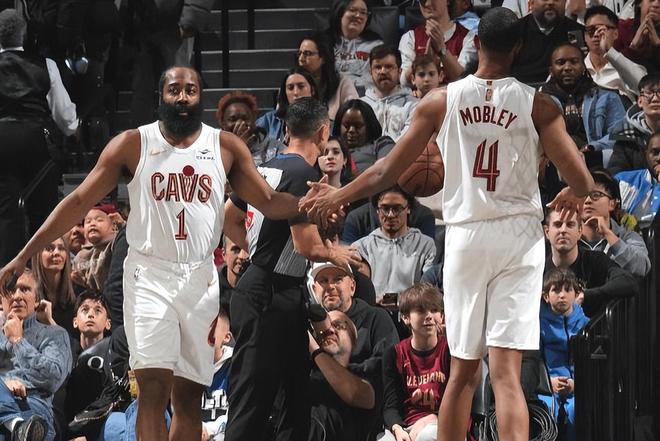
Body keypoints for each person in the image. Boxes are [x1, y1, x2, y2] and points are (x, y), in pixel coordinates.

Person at [300, 8, 594, 441]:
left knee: (463, 372)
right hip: (519, 237)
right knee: (507, 374)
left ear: (478, 45)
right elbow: (583, 180)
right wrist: (573, 192)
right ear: (518, 48)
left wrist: (337, 195)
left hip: (466, 234)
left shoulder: (440, 100)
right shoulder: (539, 105)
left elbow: (386, 170)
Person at [0, 65, 307, 441]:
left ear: (200, 97)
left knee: (189, 396)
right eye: (174, 89)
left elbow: (270, 201)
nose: (182, 97)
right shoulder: (133, 143)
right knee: (152, 390)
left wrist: (322, 200)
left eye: (190, 90)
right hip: (149, 277)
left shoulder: (224, 147)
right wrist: (22, 255)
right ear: (161, 95)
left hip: (199, 278)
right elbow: (78, 201)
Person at [222, 98, 362, 441]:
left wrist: (258, 250)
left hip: (271, 290)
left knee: (291, 398)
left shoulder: (265, 167)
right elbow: (305, 246)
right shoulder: (304, 175)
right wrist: (336, 252)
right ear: (323, 132)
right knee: (259, 402)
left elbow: (229, 216)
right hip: (270, 294)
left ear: (286, 130)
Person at [0, 9, 78, 267]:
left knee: (6, 215)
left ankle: (7, 280)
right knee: (42, 212)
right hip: (36, 141)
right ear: (24, 33)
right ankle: (42, 275)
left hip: (2, 142)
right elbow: (65, 117)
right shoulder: (46, 65)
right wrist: (74, 128)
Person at [0, 269, 72, 441]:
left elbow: (52, 379)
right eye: (10, 290)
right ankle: (16, 425)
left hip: (33, 410)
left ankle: (17, 425)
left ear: (37, 299)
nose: (17, 296)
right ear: (1, 301)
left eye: (25, 289)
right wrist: (4, 386)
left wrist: (18, 341)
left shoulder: (55, 334)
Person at [381, 284, 451, 441]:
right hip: (407, 426)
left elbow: (460, 402)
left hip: (446, 422)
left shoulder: (451, 350)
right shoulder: (394, 354)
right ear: (406, 318)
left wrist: (429, 419)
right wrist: (397, 429)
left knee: (427, 436)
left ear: (442, 316)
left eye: (434, 310)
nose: (429, 316)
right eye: (421, 311)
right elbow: (390, 405)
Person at [539, 42, 625, 167]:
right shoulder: (539, 102)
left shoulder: (607, 97)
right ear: (551, 70)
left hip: (596, 160)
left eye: (574, 62)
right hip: (552, 163)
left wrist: (590, 148)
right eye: (560, 62)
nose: (567, 67)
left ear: (584, 67)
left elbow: (619, 136)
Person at [544, 208, 638, 317]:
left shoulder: (595, 260)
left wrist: (586, 295)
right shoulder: (539, 269)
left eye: (570, 225)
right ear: (547, 232)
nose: (563, 230)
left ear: (580, 231)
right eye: (558, 225)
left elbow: (629, 282)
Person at [352, 187, 436, 301]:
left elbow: (429, 287)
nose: (390, 215)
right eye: (385, 208)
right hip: (373, 308)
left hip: (411, 307)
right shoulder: (361, 247)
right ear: (377, 210)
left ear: (408, 208)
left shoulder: (425, 245)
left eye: (397, 208)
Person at [308, 310, 377, 441]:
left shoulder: (363, 375)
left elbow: (356, 394)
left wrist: (313, 347)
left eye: (338, 325)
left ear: (353, 340)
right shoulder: (304, 373)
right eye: (324, 329)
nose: (329, 330)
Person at [538, 268, 590, 441]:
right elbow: (535, 360)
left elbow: (591, 364)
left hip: (577, 385)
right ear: (546, 296)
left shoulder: (586, 324)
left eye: (568, 290)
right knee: (546, 409)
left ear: (576, 295)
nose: (562, 295)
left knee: (577, 410)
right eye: (556, 290)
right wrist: (548, 383)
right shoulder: (538, 324)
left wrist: (577, 384)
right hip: (548, 384)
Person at [579, 170, 651, 277]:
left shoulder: (628, 237)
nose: (587, 201)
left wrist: (609, 236)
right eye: (583, 195)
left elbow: (642, 267)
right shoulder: (567, 233)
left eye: (596, 195)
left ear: (612, 204)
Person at [398, 0, 477, 86]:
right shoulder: (410, 37)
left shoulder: (468, 38)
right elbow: (404, 82)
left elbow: (463, 80)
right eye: (422, 1)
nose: (427, 4)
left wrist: (442, 51)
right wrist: (423, 59)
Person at [584, 6, 647, 106]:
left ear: (616, 34)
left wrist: (609, 51)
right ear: (585, 36)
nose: (596, 34)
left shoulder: (624, 64)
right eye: (591, 30)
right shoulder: (579, 67)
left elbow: (645, 87)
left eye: (601, 29)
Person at [510, 0, 584, 84]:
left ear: (565, 3)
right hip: (522, 87)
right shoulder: (515, 30)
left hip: (565, 88)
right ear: (531, 3)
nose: (550, 2)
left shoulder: (576, 31)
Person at [297, 33, 359, 123]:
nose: (301, 59)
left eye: (307, 54)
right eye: (299, 53)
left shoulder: (342, 82)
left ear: (323, 58)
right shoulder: (293, 83)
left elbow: (355, 114)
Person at [362, 45, 418, 141]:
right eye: (378, 67)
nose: (383, 71)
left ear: (400, 71)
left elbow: (408, 140)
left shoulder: (413, 105)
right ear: (370, 72)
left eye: (388, 67)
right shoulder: (361, 105)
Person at [325, 0, 384, 89]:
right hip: (332, 93)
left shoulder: (375, 44)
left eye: (363, 13)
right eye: (353, 10)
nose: (358, 15)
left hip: (365, 94)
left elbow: (379, 76)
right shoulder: (324, 42)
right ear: (340, 13)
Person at [608, 73, 660, 174]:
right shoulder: (626, 135)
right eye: (649, 93)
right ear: (639, 101)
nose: (655, 99)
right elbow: (616, 173)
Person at [215, 90, 284, 166]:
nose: (240, 124)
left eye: (245, 118)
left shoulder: (275, 148)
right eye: (233, 119)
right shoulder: (213, 148)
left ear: (254, 120)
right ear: (222, 123)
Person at [256, 67, 319, 143]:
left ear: (312, 90)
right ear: (285, 92)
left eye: (301, 86)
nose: (295, 92)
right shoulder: (270, 120)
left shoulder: (322, 119)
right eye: (290, 88)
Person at [30, 236, 77, 337]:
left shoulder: (78, 294)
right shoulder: (29, 295)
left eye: (61, 248)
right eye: (49, 248)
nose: (56, 253)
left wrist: (49, 321)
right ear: (38, 255)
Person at [334, 99, 393, 174]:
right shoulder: (329, 150)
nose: (351, 130)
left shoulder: (382, 144)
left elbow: (386, 170)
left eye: (358, 126)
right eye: (346, 126)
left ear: (369, 127)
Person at [71, 203, 121, 293]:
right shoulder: (80, 256)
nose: (92, 224)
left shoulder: (116, 245)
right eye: (88, 221)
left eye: (99, 220)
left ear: (113, 226)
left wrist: (122, 227)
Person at [616, 130, 660, 227]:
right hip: (629, 234)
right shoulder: (623, 180)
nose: (659, 158)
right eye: (655, 152)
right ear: (646, 155)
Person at [201, 309, 233, 441]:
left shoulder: (236, 366)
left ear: (226, 337)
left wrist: (210, 430)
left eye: (210, 325)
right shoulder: (185, 365)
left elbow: (240, 412)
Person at [616, 0, 660, 74]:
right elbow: (612, 70)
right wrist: (633, 47)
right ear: (639, 3)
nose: (656, 5)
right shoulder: (621, 29)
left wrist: (657, 45)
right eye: (651, 0)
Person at [218, 235, 249, 317]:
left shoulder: (265, 292)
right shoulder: (211, 291)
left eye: (248, 249)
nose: (243, 256)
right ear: (224, 254)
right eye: (236, 249)